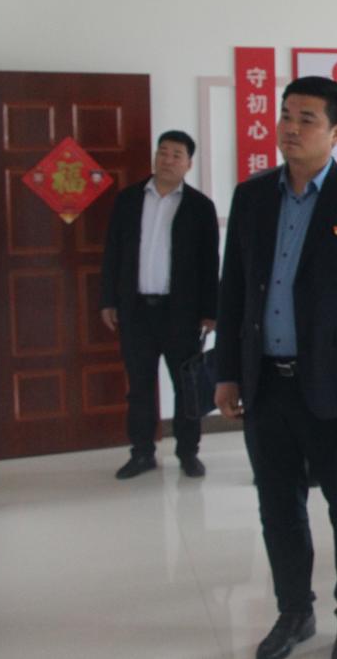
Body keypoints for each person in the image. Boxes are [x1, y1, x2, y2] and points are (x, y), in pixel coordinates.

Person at [214, 76, 337, 659]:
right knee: (278, 507)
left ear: (336, 132)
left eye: (307, 119)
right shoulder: (252, 196)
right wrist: (227, 372)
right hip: (266, 383)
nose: (290, 129)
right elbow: (233, 289)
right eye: (286, 116)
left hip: (336, 389)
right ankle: (294, 612)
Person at [100, 130, 218, 480]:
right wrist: (108, 300)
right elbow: (112, 253)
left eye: (176, 155)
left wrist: (211, 311)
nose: (167, 160)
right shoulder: (128, 200)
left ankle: (188, 452)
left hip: (181, 313)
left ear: (188, 164)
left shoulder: (200, 207)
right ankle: (141, 453)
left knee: (186, 387)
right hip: (135, 310)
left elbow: (210, 262)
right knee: (139, 387)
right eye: (162, 152)